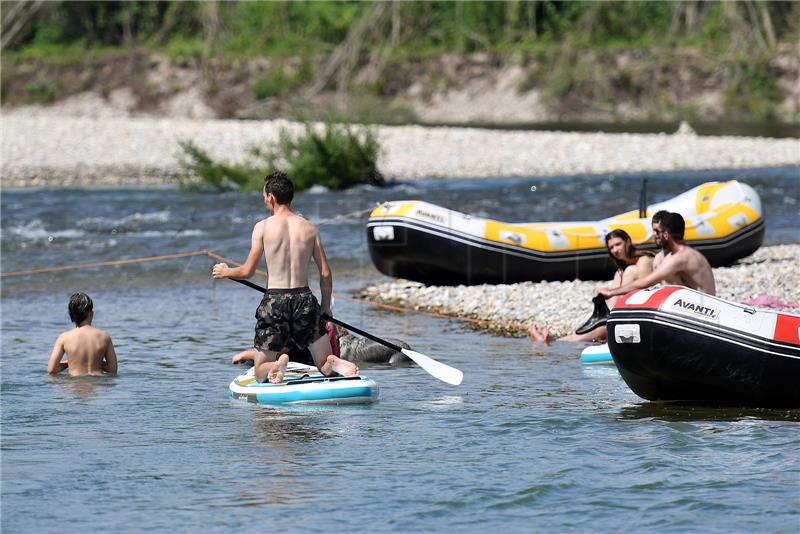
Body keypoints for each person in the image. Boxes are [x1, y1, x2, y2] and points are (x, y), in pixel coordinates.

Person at [212, 171, 358, 383]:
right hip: (305, 301)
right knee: (324, 365)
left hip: (275, 302)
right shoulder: (309, 228)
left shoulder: (262, 228)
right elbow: (325, 272)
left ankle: (277, 364)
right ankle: (333, 362)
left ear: (271, 196)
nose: (264, 200)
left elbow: (247, 271)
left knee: (259, 371)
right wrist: (326, 307)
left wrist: (226, 272)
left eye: (264, 196)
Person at [530, 228, 654, 344]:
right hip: (621, 312)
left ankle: (552, 342)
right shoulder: (620, 272)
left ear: (627, 242)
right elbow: (613, 303)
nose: (615, 250)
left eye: (618, 244)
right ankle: (555, 341)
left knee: (599, 329)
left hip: (641, 311)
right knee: (599, 324)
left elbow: (645, 288)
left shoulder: (643, 260)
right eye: (611, 247)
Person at [597, 210, 716, 300]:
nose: (654, 235)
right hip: (689, 305)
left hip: (704, 310)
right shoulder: (664, 257)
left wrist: (611, 292)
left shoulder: (681, 256)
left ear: (665, 234)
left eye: (657, 232)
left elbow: (646, 282)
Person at [48, 292, 118, 376]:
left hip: (76, 385)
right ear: (90, 313)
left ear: (71, 315)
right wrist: (96, 360)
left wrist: (71, 361)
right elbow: (112, 368)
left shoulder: (64, 338)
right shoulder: (104, 336)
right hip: (98, 384)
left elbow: (52, 369)